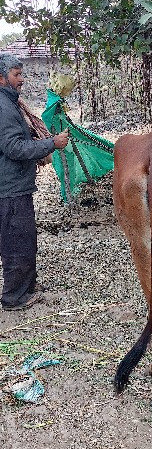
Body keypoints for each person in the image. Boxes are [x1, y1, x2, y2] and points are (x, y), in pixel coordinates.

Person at [0, 53, 69, 311]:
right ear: (1, 79)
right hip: (10, 189)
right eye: (17, 75)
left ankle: (25, 288)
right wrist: (51, 143)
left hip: (15, 186)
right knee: (17, 243)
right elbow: (14, 148)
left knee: (24, 240)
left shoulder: (10, 104)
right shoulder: (3, 108)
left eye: (21, 74)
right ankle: (14, 298)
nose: (22, 80)